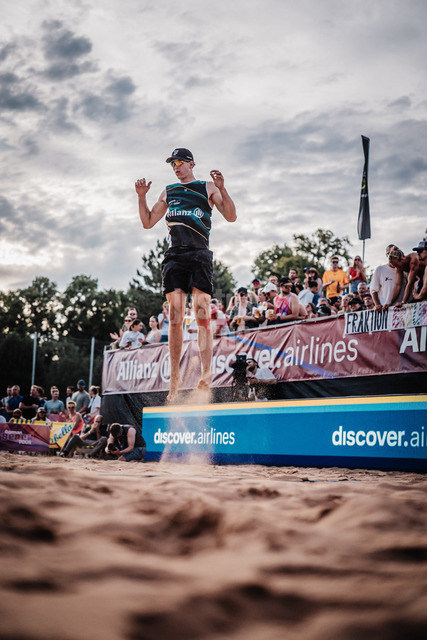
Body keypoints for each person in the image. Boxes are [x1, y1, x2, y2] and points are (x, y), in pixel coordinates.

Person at [135, 147, 237, 401]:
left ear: (191, 164)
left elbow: (231, 217)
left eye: (180, 162)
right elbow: (148, 222)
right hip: (175, 256)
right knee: (175, 316)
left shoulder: (207, 187)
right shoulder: (169, 191)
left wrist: (223, 189)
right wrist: (141, 197)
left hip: (199, 254)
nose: (176, 167)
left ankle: (206, 373)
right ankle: (175, 377)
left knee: (202, 312)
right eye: (173, 164)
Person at [370, 245, 403, 312]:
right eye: (389, 254)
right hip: (385, 308)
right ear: (386, 255)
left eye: (393, 253)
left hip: (401, 308)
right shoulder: (380, 269)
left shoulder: (403, 268)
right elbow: (373, 290)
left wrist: (404, 301)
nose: (391, 256)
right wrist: (377, 304)